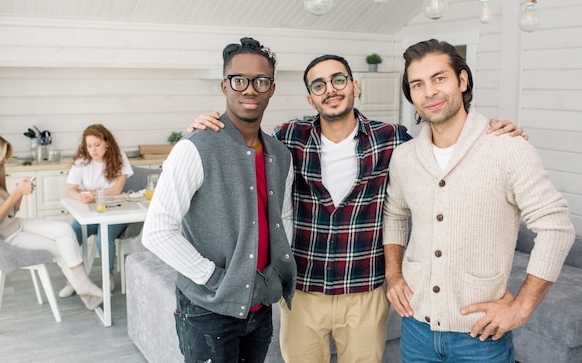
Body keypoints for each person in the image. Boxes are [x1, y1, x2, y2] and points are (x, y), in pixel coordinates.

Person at [190, 53, 523, 362]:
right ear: (310, 98)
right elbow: (242, 143)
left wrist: (488, 132)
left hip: (366, 291)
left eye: (338, 80)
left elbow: (444, 142)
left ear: (354, 86)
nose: (330, 90)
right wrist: (209, 130)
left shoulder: (391, 139)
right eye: (318, 85)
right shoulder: (288, 137)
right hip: (304, 291)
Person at [383, 38, 575, 362]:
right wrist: (394, 275)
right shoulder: (404, 157)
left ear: (462, 80)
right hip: (415, 330)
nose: (429, 91)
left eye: (439, 78)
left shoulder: (507, 147)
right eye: (418, 84)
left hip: (480, 338)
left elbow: (557, 227)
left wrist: (521, 307)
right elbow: (395, 214)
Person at [142, 37, 297, 363]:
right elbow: (156, 231)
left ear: (272, 88)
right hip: (207, 310)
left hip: (259, 307)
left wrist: (273, 276)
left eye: (261, 81)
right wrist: (214, 279)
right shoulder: (195, 147)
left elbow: (283, 217)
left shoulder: (280, 155)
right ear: (224, 86)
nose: (250, 89)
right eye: (239, 80)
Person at [0, 131, 103, 310]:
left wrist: (20, 194)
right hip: (7, 237)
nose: (4, 160)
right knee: (59, 248)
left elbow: (11, 211)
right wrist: (17, 192)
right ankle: (86, 290)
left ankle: (83, 286)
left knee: (65, 230)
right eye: (1, 155)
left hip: (13, 226)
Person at [58, 124, 133, 298]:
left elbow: (117, 190)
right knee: (71, 236)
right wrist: (81, 197)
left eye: (97, 145)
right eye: (89, 145)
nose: (93, 150)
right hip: (89, 211)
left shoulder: (119, 157)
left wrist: (93, 194)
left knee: (103, 237)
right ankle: (75, 280)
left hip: (115, 211)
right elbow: (71, 190)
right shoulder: (81, 161)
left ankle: (108, 276)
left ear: (107, 143)